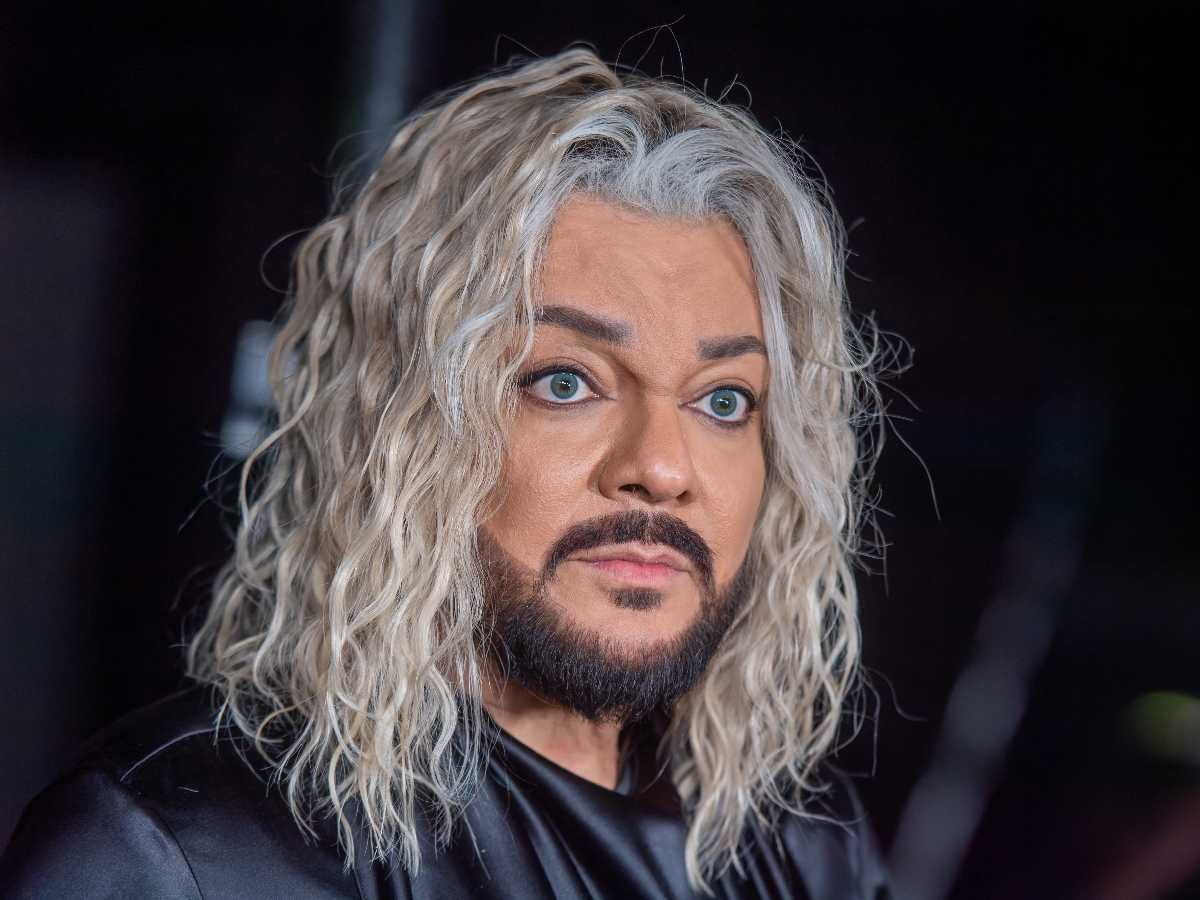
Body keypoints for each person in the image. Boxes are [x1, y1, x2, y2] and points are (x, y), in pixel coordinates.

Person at [0, 47, 891, 899]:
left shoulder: (803, 846)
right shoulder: (181, 852)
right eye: (565, 382)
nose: (661, 468)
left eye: (724, 400)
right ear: (403, 423)